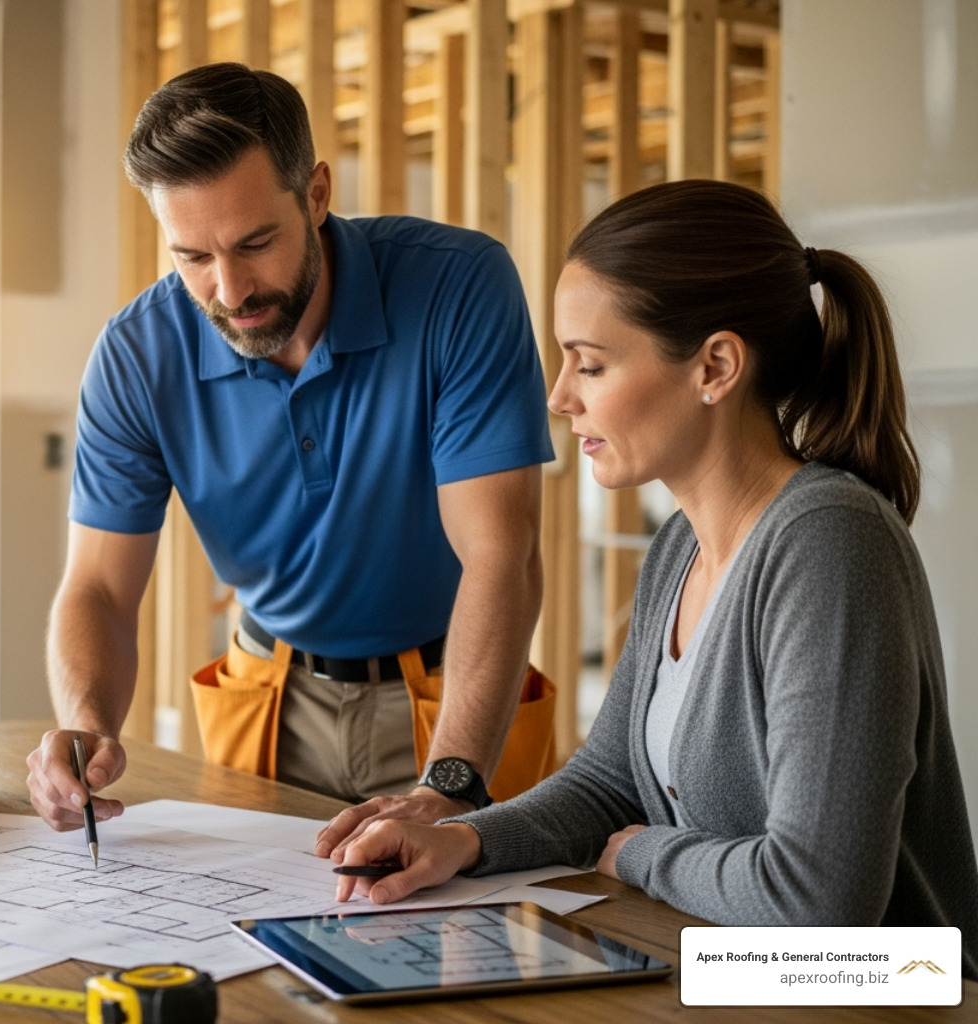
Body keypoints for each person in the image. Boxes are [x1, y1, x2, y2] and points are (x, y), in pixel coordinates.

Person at [330, 179, 978, 980]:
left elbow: (821, 901)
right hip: (727, 981)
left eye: (590, 365)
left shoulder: (828, 543)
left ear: (715, 366)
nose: (560, 397)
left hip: (873, 998)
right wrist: (464, 838)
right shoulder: (681, 544)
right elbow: (609, 784)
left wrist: (644, 855)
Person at [25, 62, 556, 846]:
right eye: (193, 258)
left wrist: (449, 783)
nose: (230, 291)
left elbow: (500, 555)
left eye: (255, 243)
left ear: (315, 193)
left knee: (469, 946)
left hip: (452, 694)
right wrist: (86, 725)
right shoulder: (136, 353)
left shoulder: (458, 286)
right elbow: (100, 588)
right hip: (268, 692)